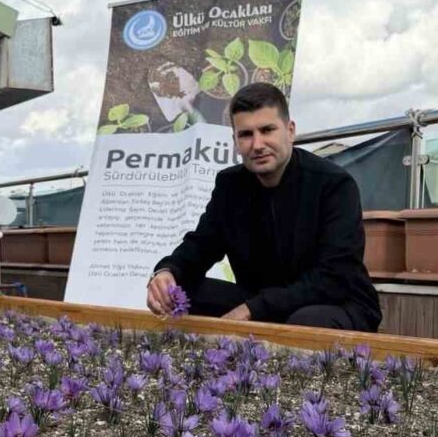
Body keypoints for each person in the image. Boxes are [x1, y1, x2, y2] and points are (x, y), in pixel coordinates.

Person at [146, 82, 381, 331]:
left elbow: (333, 277)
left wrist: (252, 310)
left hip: (337, 304)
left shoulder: (334, 185)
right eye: (246, 134)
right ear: (235, 141)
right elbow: (201, 245)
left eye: (267, 130)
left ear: (290, 131)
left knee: (305, 322)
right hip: (261, 301)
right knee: (179, 292)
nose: (257, 145)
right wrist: (167, 271)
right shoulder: (230, 186)